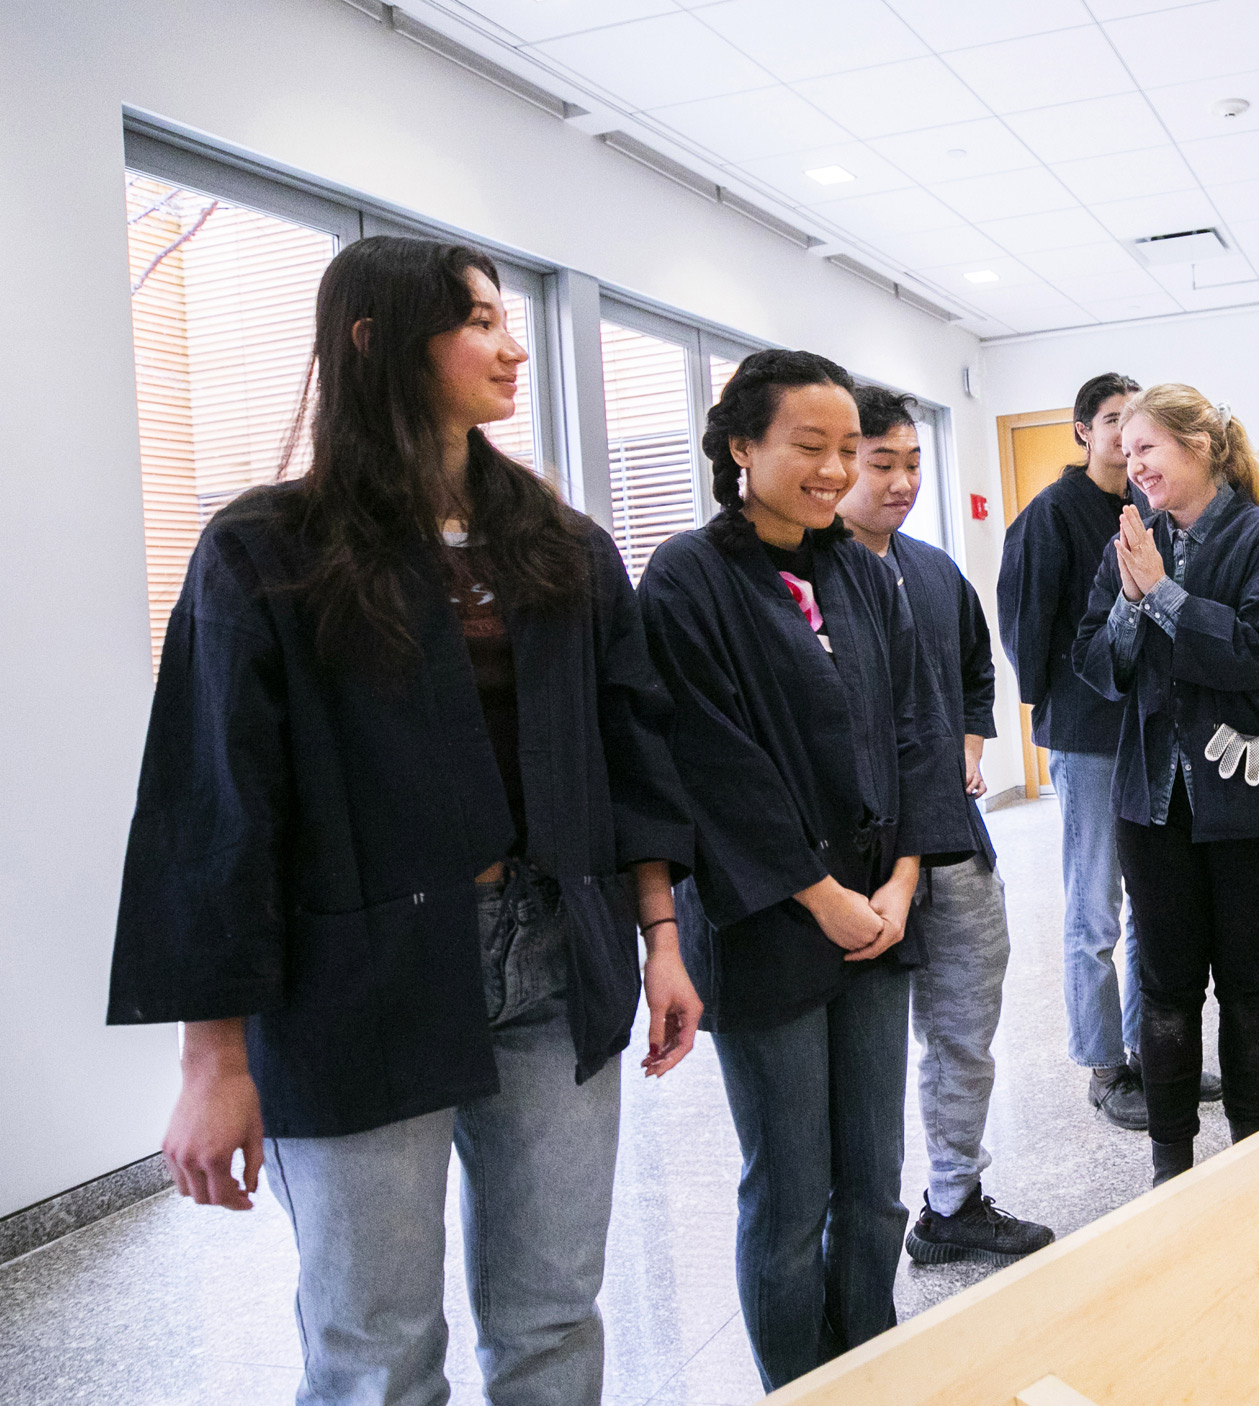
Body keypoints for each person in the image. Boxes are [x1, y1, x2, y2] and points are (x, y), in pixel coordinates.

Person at [107, 235, 703, 1406]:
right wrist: (211, 1056)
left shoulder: (561, 545)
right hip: (354, 978)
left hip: (552, 959)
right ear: (376, 341)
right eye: (477, 319)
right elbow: (215, 805)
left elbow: (630, 747)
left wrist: (662, 936)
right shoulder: (268, 550)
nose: (512, 342)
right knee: (374, 1346)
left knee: (551, 1317)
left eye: (505, 317)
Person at [640, 350, 951, 1386]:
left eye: (843, 451)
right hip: (771, 915)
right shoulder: (688, 575)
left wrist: (903, 877)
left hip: (877, 909)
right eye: (806, 447)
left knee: (872, 1182)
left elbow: (915, 727)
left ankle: (869, 1362)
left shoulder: (863, 573)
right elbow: (710, 757)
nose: (832, 471)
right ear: (741, 447)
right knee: (789, 1188)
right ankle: (798, 1381)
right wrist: (818, 894)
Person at [1071, 385, 1259, 1187]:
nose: (1132, 464)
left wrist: (1164, 595)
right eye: (1126, 449)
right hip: (1153, 802)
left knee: (1248, 986)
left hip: (1249, 800)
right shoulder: (1131, 542)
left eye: (1149, 448)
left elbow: (1257, 655)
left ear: (1200, 448)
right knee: (1166, 990)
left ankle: (1253, 1145)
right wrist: (1133, 603)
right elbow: (1098, 667)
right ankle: (1169, 1163)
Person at [837, 386, 1055, 1265]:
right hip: (857, 864)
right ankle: (855, 1222)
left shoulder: (931, 570)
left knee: (964, 1030)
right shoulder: (809, 578)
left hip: (957, 845)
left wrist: (968, 743)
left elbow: (974, 669)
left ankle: (953, 1199)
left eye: (911, 464)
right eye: (879, 464)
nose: (899, 483)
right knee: (866, 1054)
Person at [1001, 372, 1217, 1128]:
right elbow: (1027, 633)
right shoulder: (1049, 516)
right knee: (1095, 909)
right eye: (1113, 422)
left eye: (1138, 428)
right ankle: (1103, 1065)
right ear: (1082, 432)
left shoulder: (1150, 507)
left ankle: (1150, 1051)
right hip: (1091, 736)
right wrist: (1063, 708)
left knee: (1150, 904)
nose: (1129, 441)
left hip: (1152, 730)